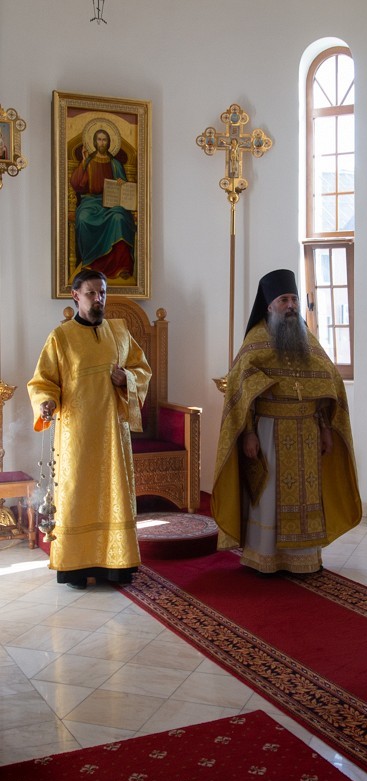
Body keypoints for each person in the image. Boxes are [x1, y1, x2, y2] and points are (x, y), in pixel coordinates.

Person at [212, 268, 362, 574]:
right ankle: (265, 558)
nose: (291, 305)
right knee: (268, 495)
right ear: (270, 306)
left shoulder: (307, 340)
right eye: (284, 300)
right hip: (269, 430)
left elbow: (327, 381)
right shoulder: (256, 340)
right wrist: (248, 433)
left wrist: (325, 428)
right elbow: (241, 388)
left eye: (294, 299)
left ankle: (304, 559)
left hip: (307, 431)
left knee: (308, 495)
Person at [28, 268, 151, 589]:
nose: (99, 299)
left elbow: (142, 369)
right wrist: (46, 402)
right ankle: (76, 569)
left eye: (103, 293)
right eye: (92, 293)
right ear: (76, 296)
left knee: (114, 493)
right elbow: (43, 381)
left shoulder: (119, 332)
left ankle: (117, 566)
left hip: (113, 434)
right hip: (76, 437)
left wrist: (127, 379)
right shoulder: (61, 337)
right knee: (77, 496)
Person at [70, 127, 136, 279]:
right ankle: (90, 263)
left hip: (111, 203)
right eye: (99, 139)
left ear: (109, 142)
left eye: (104, 139)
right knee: (83, 218)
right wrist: (83, 162)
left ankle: (121, 267)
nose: (102, 142)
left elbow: (125, 189)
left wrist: (121, 183)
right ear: (94, 142)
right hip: (90, 202)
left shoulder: (115, 164)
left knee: (119, 218)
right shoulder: (88, 162)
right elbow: (77, 184)